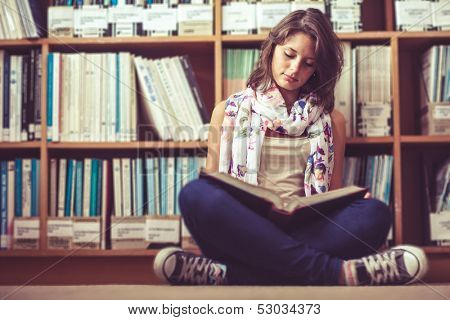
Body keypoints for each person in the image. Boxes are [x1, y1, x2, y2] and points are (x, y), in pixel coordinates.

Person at [153, 9, 428, 286]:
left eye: (308, 63)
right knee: (197, 195)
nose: (295, 69)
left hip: (307, 227)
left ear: (317, 69)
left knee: (375, 214)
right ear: (272, 49)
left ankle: (231, 275)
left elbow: (331, 196)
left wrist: (351, 202)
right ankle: (336, 273)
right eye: (289, 55)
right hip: (244, 228)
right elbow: (215, 187)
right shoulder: (227, 111)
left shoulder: (333, 121)